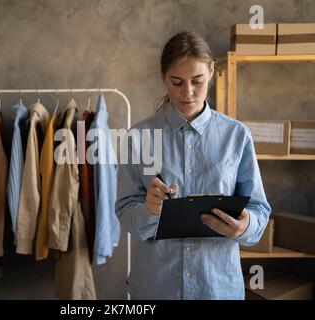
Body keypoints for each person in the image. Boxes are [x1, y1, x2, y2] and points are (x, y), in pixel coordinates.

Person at [115, 31, 271, 300]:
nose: (187, 92)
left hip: (218, 288)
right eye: (177, 82)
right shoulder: (138, 137)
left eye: (197, 81)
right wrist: (149, 210)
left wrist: (244, 227)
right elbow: (125, 212)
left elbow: (258, 208)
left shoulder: (236, 135)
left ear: (211, 72)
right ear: (164, 78)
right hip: (156, 288)